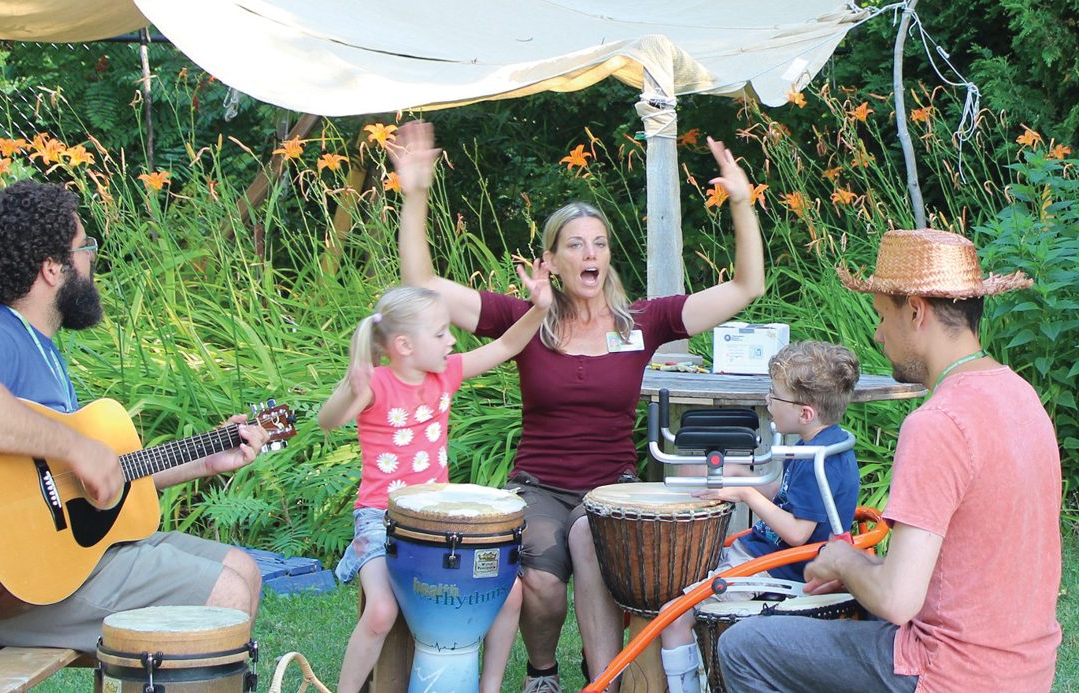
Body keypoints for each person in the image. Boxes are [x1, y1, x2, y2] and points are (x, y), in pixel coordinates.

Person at [389, 120, 765, 692]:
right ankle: (543, 674)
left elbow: (745, 288)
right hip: (537, 483)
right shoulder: (525, 318)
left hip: (609, 485)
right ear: (552, 261)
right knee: (539, 579)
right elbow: (420, 282)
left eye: (599, 243)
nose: (590, 254)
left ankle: (603, 679)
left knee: (590, 540)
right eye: (575, 244)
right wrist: (415, 194)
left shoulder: (643, 322)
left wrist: (741, 201)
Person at [0, 180, 268, 652]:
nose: (92, 260)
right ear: (52, 268)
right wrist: (76, 445)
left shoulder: (36, 348)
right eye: (84, 247)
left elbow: (81, 488)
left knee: (244, 570)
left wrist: (204, 461)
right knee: (224, 595)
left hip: (48, 570)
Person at [719, 228, 1062, 692]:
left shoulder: (937, 422)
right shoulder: (1023, 398)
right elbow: (953, 576)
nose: (878, 334)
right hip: (1025, 673)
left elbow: (898, 600)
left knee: (744, 647)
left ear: (916, 311)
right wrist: (864, 571)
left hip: (948, 674)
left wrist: (842, 560)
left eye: (882, 316)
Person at [318, 269, 551, 692]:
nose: (452, 341)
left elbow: (507, 344)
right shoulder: (376, 384)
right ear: (405, 346)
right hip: (381, 518)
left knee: (511, 595)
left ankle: (489, 687)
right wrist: (348, 392)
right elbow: (327, 421)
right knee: (381, 613)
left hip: (439, 521)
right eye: (441, 334)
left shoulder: (447, 374)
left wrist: (540, 308)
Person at [656, 340, 861, 693]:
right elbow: (787, 497)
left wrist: (747, 494)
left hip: (777, 570)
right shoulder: (821, 443)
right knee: (674, 583)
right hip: (760, 558)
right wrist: (740, 475)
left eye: (775, 395)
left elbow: (798, 533)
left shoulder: (818, 459)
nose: (768, 400)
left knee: (672, 618)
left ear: (805, 413)